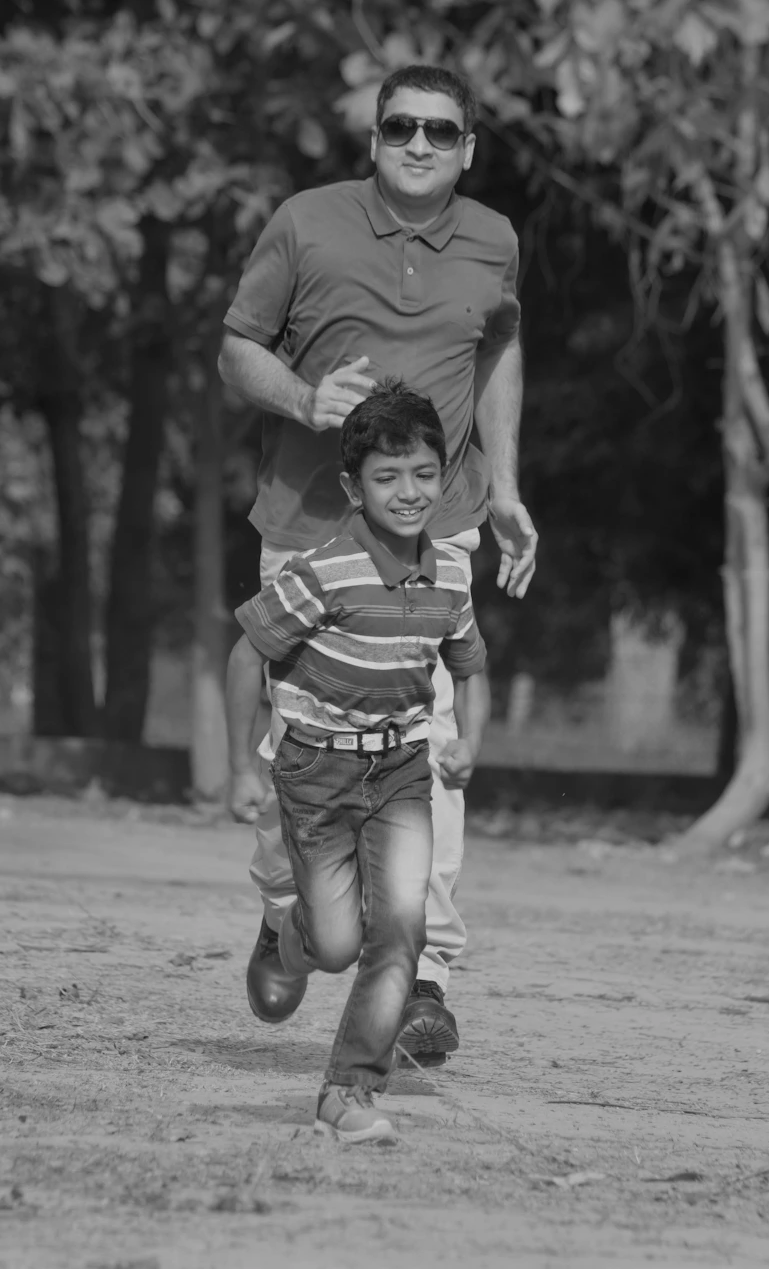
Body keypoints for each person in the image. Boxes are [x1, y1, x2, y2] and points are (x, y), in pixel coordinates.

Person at [217, 63, 537, 1063]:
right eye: (401, 126)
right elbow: (237, 350)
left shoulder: (495, 240)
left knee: (429, 744)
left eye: (442, 132)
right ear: (373, 137)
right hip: (310, 519)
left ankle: (427, 973)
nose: (419, 145)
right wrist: (307, 401)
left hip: (437, 520)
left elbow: (497, 355)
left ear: (468, 147)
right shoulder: (307, 223)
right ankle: (285, 909)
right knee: (290, 745)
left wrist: (511, 485)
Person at [225, 381, 489, 1143]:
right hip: (314, 772)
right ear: (352, 486)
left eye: (424, 475)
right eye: (387, 477)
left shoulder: (447, 576)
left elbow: (470, 663)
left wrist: (470, 741)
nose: (409, 494)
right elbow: (247, 658)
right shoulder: (323, 572)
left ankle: (349, 1092)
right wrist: (244, 769)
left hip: (403, 772)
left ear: (443, 476)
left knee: (399, 931)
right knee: (338, 943)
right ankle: (290, 936)